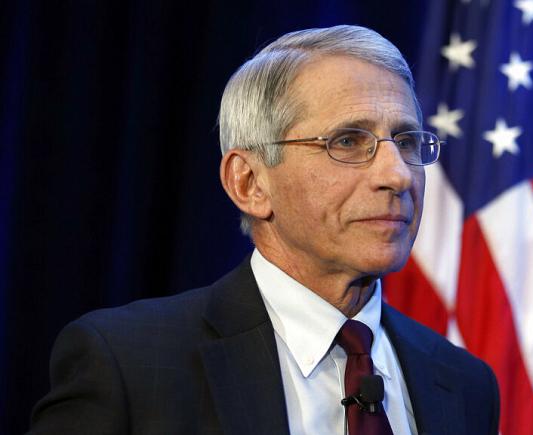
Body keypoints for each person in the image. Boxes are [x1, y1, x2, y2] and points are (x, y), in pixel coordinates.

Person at [28, 25, 500, 435]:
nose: (396, 175)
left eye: (407, 142)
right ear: (250, 183)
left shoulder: (465, 383)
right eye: (348, 141)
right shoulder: (129, 365)